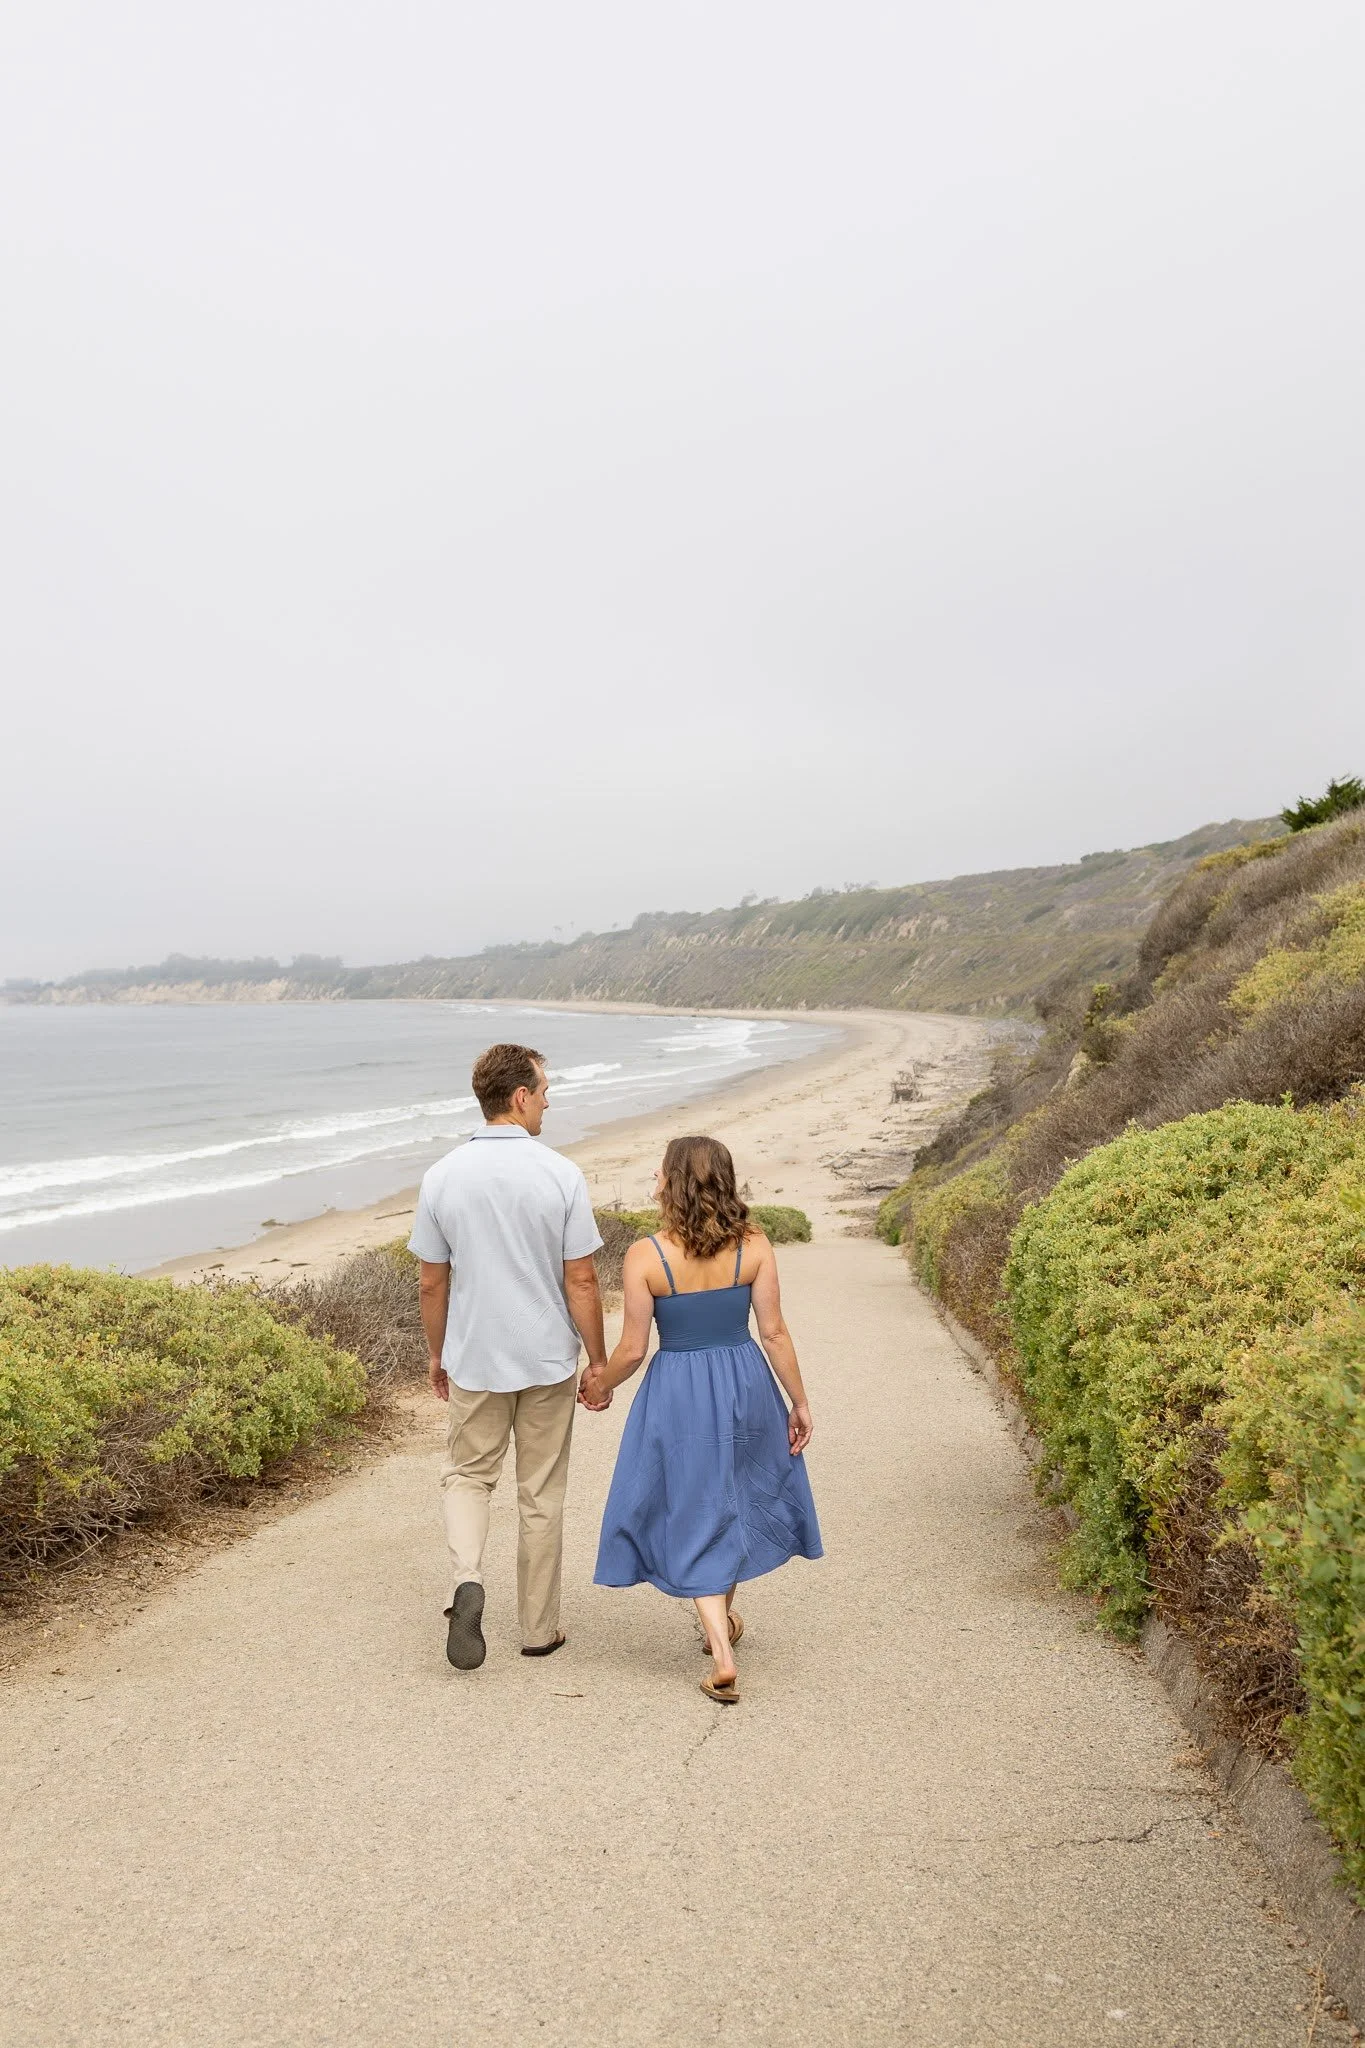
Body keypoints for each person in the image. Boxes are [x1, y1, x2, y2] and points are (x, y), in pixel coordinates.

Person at [581, 1134, 822, 1703]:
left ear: (675, 1181)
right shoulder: (753, 1244)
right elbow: (773, 1333)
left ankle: (721, 1651)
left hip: (679, 1391)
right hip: (744, 1382)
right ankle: (723, 1625)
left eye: (661, 1171)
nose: (656, 1178)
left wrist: (598, 1384)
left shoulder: (646, 1255)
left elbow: (632, 1350)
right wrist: (799, 1401)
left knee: (693, 1505)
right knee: (732, 1498)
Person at [410, 1042, 608, 1670]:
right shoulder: (560, 1174)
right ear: (520, 1097)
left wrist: (437, 1355)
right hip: (546, 1358)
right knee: (540, 1492)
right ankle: (538, 1629)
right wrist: (597, 1361)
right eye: (545, 1091)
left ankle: (467, 1579)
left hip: (475, 1356)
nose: (549, 1101)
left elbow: (432, 1283)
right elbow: (581, 1280)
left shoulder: (442, 1176)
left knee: (469, 1476)